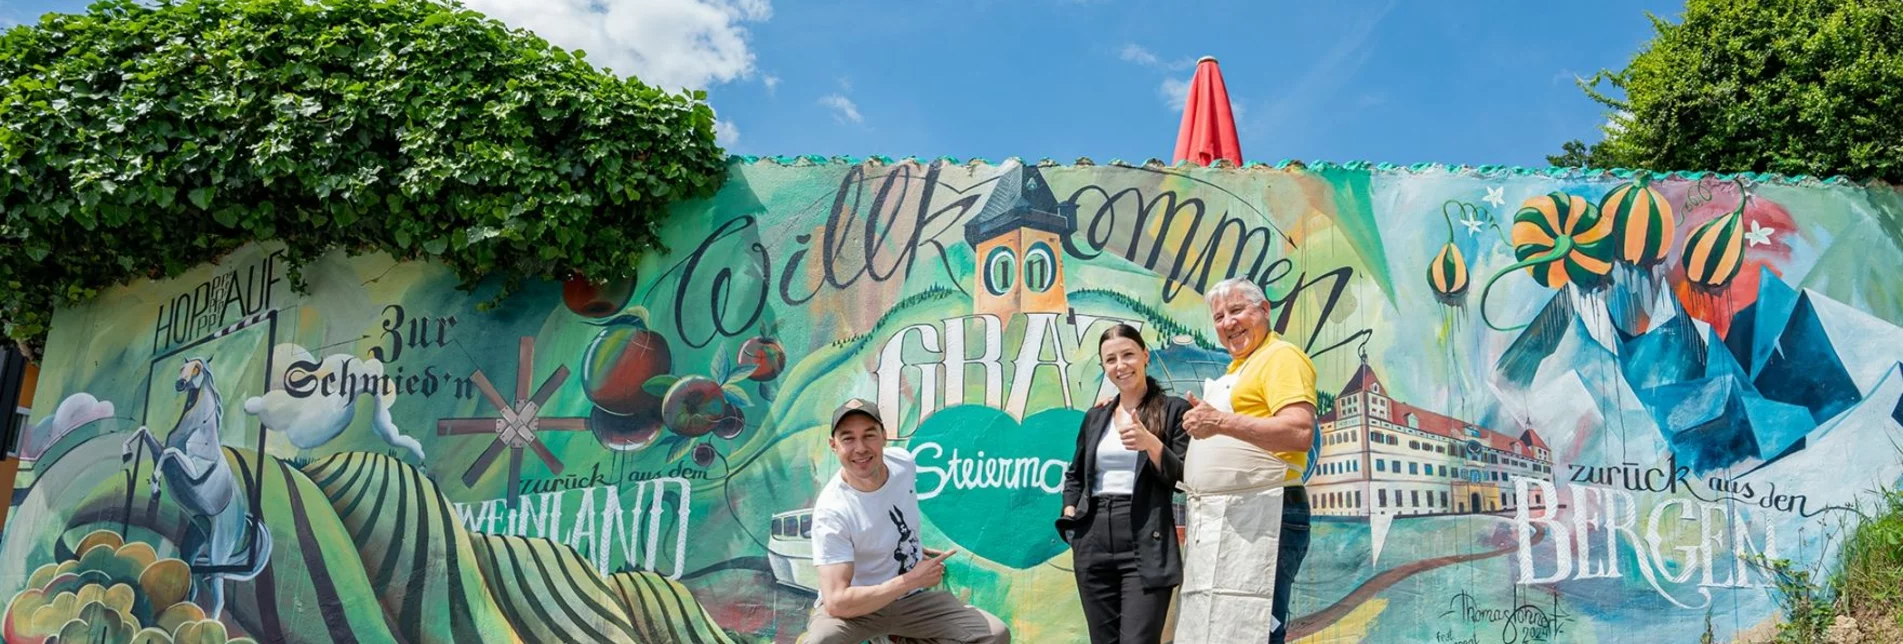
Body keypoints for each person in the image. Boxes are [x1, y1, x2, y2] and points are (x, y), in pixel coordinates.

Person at [1176, 277, 1318, 644]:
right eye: (1219, 316)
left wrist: (1219, 422)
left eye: (1237, 310)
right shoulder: (1236, 370)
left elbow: (1299, 432)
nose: (1228, 323)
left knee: (1252, 628)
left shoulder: (1280, 357)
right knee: (1220, 629)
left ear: (1264, 310)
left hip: (1267, 512)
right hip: (1228, 516)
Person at [804, 398, 1012, 644]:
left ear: (884, 436)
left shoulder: (903, 463)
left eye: (869, 435)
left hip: (913, 601)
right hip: (860, 610)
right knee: (821, 640)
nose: (860, 448)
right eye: (848, 438)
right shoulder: (832, 511)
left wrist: (907, 548)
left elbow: (884, 516)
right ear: (833, 445)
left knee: (995, 634)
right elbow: (837, 602)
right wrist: (910, 579)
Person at [1058, 324, 1193, 644]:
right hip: (1093, 537)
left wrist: (1150, 443)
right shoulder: (1096, 416)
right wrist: (1070, 511)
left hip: (1145, 533)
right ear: (1104, 366)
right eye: (1111, 359)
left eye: (1128, 355)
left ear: (1145, 356)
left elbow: (1185, 476)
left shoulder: (1173, 409)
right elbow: (1075, 474)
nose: (1121, 365)